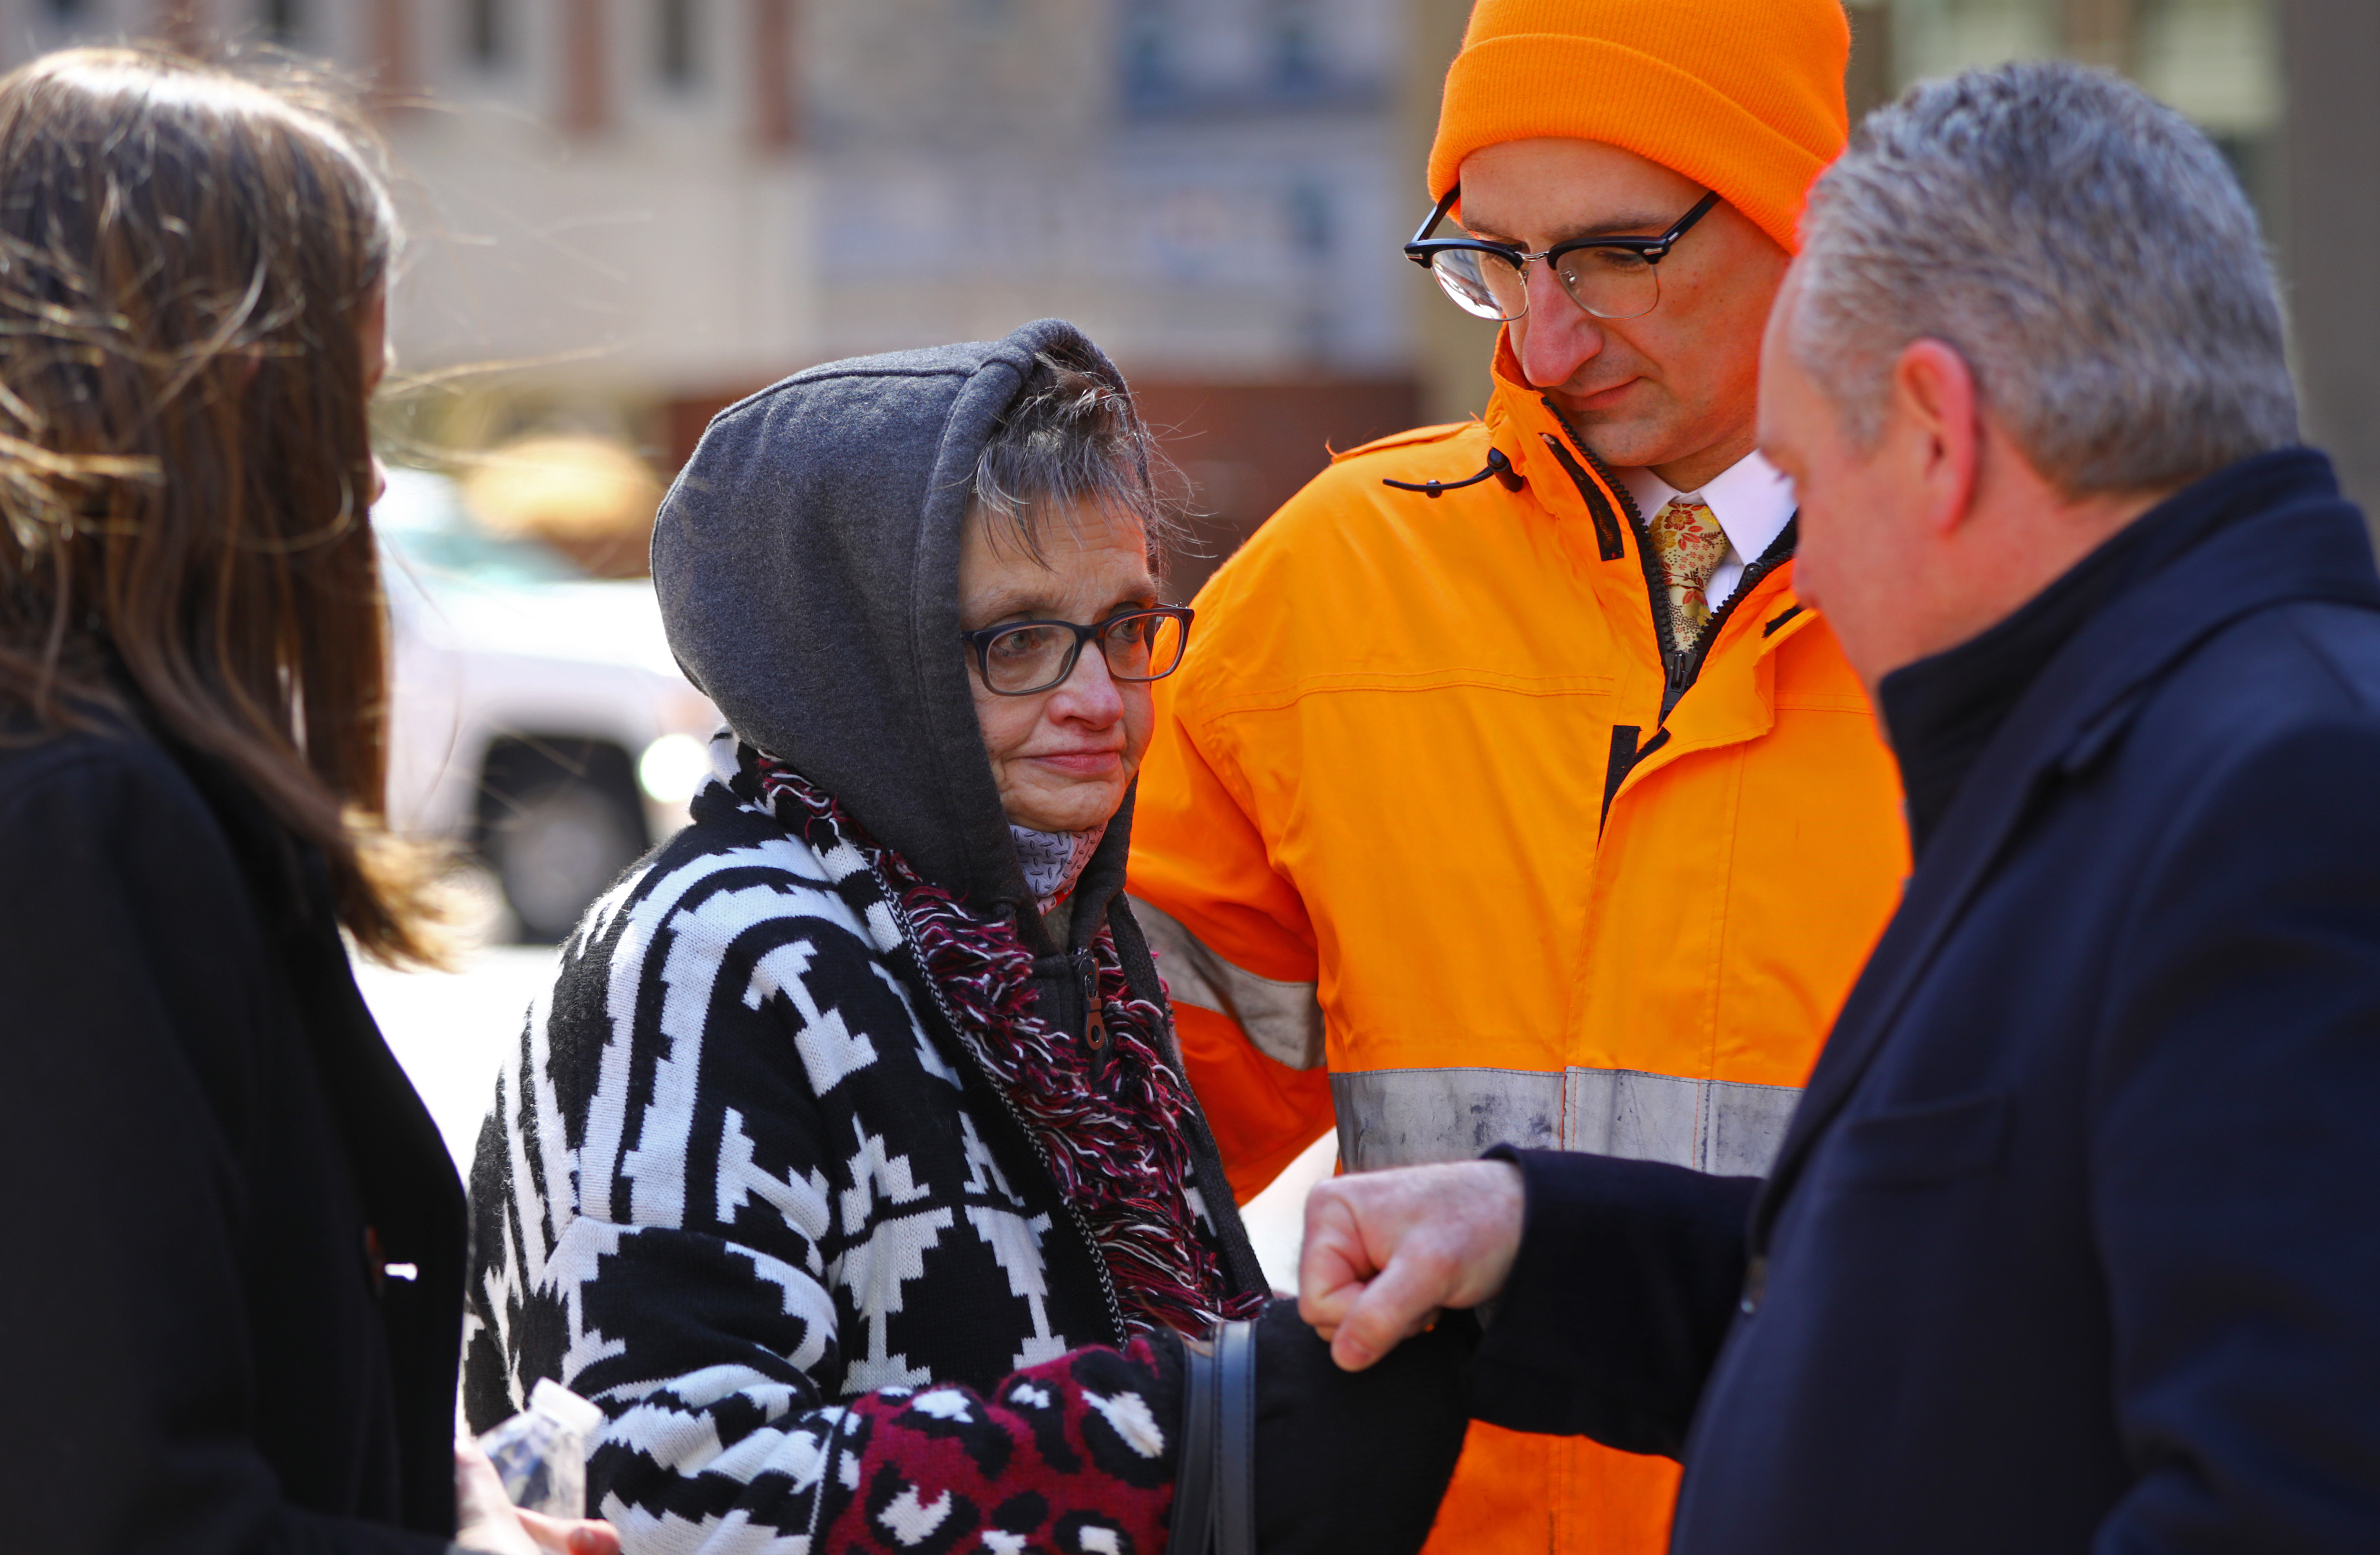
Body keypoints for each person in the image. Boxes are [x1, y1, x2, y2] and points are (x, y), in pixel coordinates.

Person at [1299, 61, 2380, 1552]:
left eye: (1810, 475)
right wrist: (1537, 1243)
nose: (1801, 574)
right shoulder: (2164, 752)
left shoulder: (2284, 800)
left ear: (1937, 433)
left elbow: (2289, 1499)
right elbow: (1958, 1335)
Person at [464, 322, 1473, 1554]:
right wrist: (1185, 1437)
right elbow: (652, 1492)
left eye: (1124, 628)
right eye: (1020, 642)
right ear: (857, 665)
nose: (1099, 700)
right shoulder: (713, 960)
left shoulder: (1059, 947)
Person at [1124, 0, 1907, 1545]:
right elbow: (1114, 1134)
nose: (1546, 339)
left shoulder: (1984, 603)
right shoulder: (1333, 589)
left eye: (1619, 253)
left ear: (1801, 212)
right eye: (1493, 260)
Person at [0, 47, 611, 1555]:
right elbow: (123, 1511)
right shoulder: (85, 821)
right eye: (362, 398)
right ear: (246, 394)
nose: (377, 481)